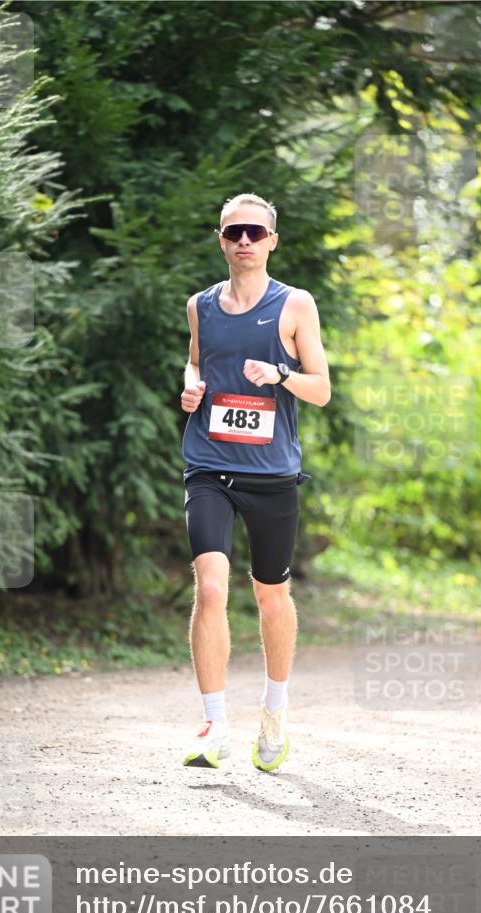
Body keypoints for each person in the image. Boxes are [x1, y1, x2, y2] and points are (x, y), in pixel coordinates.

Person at [180, 192, 330, 771]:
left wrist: (282, 373)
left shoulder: (295, 305)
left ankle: (274, 712)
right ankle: (214, 724)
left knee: (270, 594)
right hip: (209, 463)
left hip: (271, 472)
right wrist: (191, 385)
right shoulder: (201, 305)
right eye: (233, 232)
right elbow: (195, 360)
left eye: (254, 232)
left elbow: (321, 388)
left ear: (272, 241)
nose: (244, 240)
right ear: (221, 239)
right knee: (212, 587)